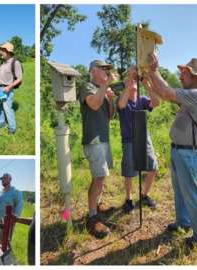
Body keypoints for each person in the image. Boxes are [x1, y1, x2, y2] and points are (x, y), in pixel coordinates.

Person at [146, 53, 197, 248]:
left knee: (191, 193)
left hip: (189, 153)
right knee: (181, 191)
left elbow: (166, 93)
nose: (180, 76)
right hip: (181, 151)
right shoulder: (191, 95)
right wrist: (150, 76)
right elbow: (166, 90)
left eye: (184, 74)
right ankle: (184, 222)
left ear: (196, 78)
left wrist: (153, 70)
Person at [80, 60, 115, 239]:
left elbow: (110, 115)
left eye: (108, 69)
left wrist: (110, 98)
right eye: (104, 69)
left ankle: (98, 203)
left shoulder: (103, 89)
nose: (107, 72)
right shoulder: (87, 86)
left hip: (104, 138)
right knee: (98, 177)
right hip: (94, 139)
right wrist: (104, 87)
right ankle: (92, 216)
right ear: (94, 71)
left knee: (101, 176)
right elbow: (93, 104)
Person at [116, 67, 160, 213]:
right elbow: (121, 105)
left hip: (144, 138)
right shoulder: (122, 98)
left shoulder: (142, 99)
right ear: (125, 83)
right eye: (129, 79)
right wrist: (128, 84)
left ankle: (144, 195)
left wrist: (146, 84)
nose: (132, 80)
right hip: (129, 140)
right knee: (129, 170)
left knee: (152, 167)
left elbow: (156, 102)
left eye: (134, 79)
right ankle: (128, 199)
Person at [0, 42, 23, 134]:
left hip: (7, 89)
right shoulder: (2, 62)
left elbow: (19, 78)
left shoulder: (15, 62)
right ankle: (1, 123)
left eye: (2, 50)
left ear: (8, 52)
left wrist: (9, 87)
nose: (0, 52)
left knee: (7, 108)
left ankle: (12, 128)